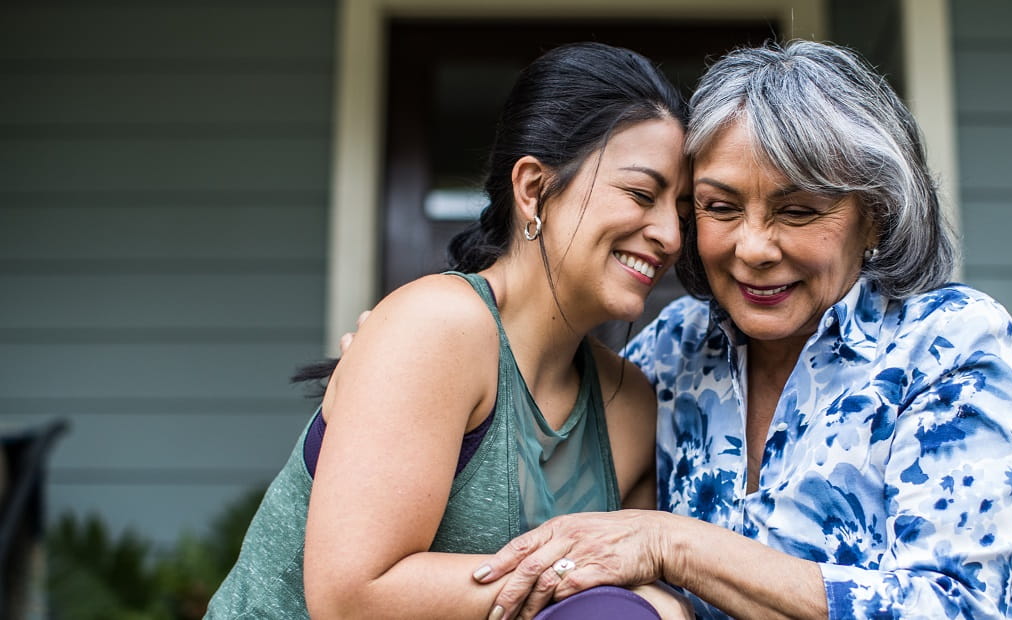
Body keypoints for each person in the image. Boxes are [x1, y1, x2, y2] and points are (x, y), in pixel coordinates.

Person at [471, 41, 1012, 620]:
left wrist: (673, 545)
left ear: (873, 218)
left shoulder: (949, 340)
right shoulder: (674, 349)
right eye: (719, 207)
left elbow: (951, 605)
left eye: (798, 211)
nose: (755, 247)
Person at [205, 42, 695, 619]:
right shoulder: (439, 327)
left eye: (683, 211)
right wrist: (577, 579)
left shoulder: (629, 405)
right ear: (534, 188)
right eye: (641, 195)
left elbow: (634, 599)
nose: (670, 234)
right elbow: (352, 597)